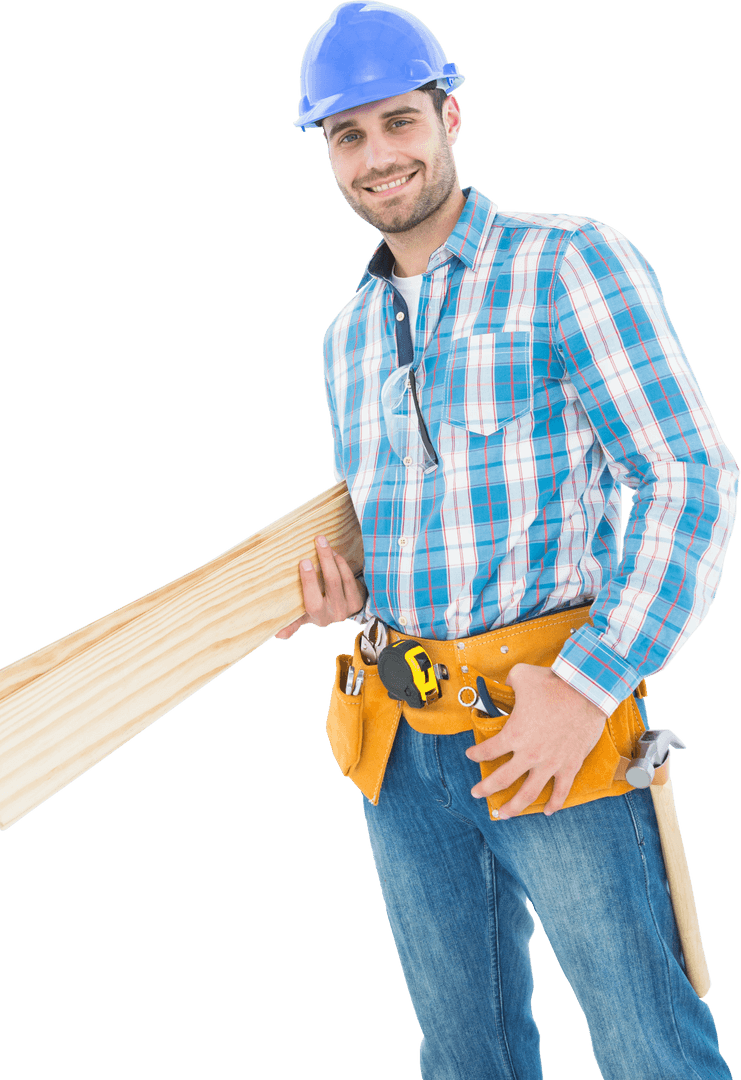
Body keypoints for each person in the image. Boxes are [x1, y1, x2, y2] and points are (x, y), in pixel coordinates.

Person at [276, 3, 737, 1077]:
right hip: (396, 742)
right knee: (462, 1050)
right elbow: (393, 523)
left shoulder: (568, 263)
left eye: (397, 121)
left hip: (547, 726)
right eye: (346, 136)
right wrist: (345, 592)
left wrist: (586, 689)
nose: (377, 156)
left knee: (645, 1045)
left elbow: (686, 477)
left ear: (448, 113)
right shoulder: (345, 337)